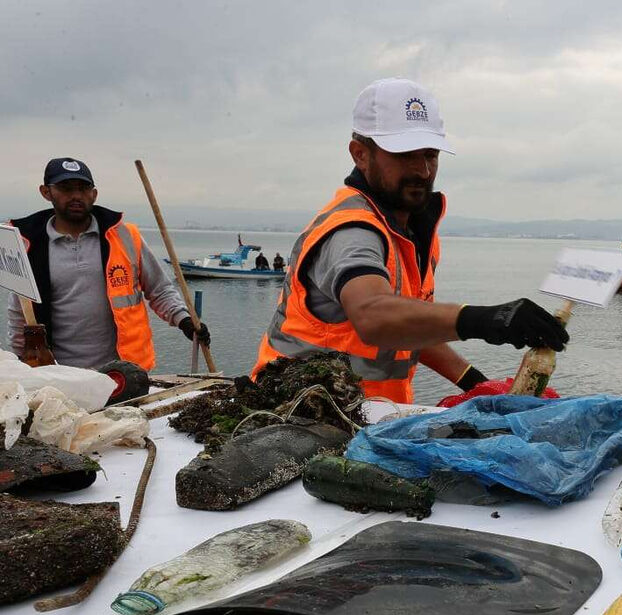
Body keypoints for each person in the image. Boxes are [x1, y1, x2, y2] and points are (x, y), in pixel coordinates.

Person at [252, 78, 567, 403]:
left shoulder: (412, 233)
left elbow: (410, 325)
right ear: (360, 154)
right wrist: (486, 320)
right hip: (298, 416)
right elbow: (374, 316)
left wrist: (474, 383)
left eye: (430, 154)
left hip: (371, 420)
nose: (422, 169)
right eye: (404, 154)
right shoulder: (350, 231)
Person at [7, 158, 210, 370]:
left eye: (83, 188)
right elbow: (19, 315)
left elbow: (160, 290)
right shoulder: (27, 244)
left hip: (123, 372)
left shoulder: (125, 236)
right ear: (46, 192)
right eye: (66, 188)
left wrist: (185, 321)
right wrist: (20, 368)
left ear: (94, 194)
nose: (76, 196)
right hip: (58, 374)